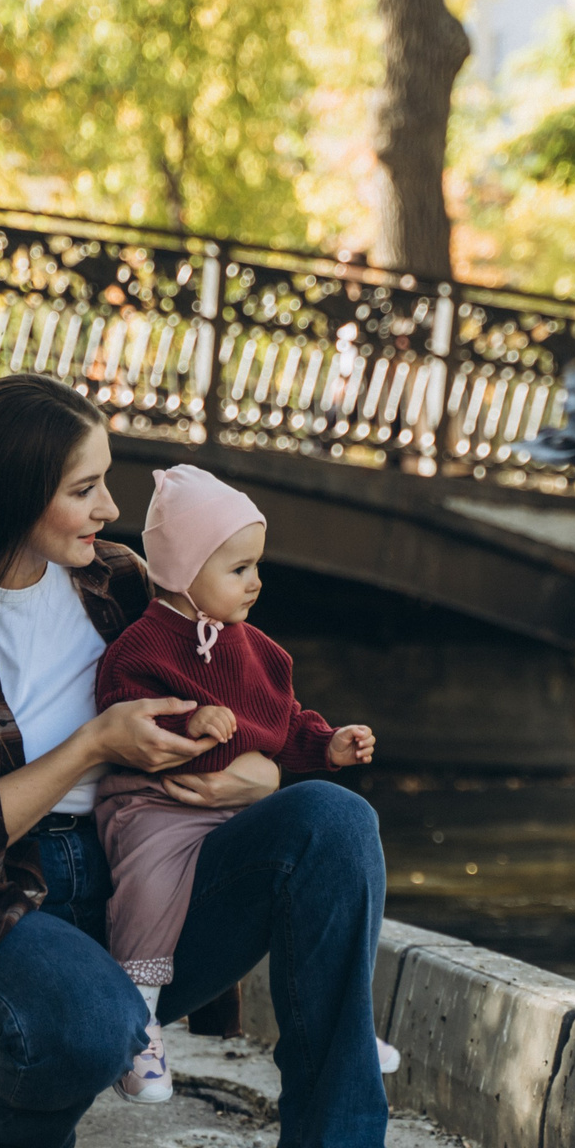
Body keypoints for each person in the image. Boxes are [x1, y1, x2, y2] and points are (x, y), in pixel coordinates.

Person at [0, 374, 404, 1148]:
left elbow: (256, 710)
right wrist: (94, 745)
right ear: (15, 489)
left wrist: (260, 777)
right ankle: (8, 1119)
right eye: (84, 488)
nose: (110, 507)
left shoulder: (120, 585)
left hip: (138, 876)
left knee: (334, 824)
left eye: (107, 480)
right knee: (90, 1026)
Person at [90, 465, 387, 1104]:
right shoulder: (143, 646)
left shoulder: (259, 650)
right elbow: (124, 703)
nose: (257, 581)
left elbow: (283, 721)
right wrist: (191, 718)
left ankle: (348, 1026)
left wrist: (327, 745)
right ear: (184, 572)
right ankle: (135, 1021)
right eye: (238, 569)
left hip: (230, 816)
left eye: (256, 565)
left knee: (323, 865)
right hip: (155, 804)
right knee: (150, 880)